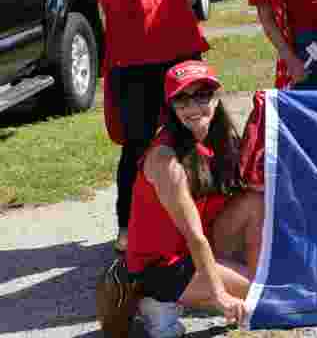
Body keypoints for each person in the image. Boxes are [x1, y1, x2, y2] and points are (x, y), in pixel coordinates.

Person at [96, 61, 264, 338]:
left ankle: (236, 289)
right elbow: (194, 235)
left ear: (217, 97)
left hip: (194, 250)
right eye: (182, 99)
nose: (193, 107)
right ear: (170, 106)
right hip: (161, 265)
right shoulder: (165, 159)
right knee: (258, 289)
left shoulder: (221, 137)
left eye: (202, 95)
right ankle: (157, 300)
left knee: (254, 202)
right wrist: (220, 295)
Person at [87, 0, 210, 255]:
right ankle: (128, 225)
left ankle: (199, 215)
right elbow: (133, 2)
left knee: (193, 136)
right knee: (139, 145)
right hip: (136, 68)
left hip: (179, 59)